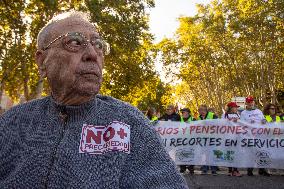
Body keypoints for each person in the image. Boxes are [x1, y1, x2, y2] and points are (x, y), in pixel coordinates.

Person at [0, 11, 188, 189]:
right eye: (74, 41)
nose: (92, 54)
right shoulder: (13, 121)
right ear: (42, 62)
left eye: (98, 44)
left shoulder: (128, 122)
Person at [240, 96, 270, 176]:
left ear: (254, 102)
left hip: (260, 136)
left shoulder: (258, 111)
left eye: (252, 102)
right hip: (249, 136)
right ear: (246, 103)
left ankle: (262, 170)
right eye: (249, 102)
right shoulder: (243, 113)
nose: (250, 103)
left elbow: (263, 120)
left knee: (261, 152)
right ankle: (250, 170)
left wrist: (264, 121)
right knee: (250, 153)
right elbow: (242, 124)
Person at [222, 102, 242, 177]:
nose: (236, 108)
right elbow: (221, 124)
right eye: (235, 107)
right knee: (229, 153)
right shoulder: (225, 115)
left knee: (236, 153)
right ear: (230, 108)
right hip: (228, 137)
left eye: (237, 107)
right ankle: (230, 170)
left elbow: (242, 124)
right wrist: (230, 121)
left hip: (237, 137)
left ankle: (236, 170)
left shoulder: (238, 115)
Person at [197, 104, 218, 175]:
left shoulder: (213, 115)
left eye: (203, 110)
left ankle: (213, 169)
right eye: (200, 110)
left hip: (212, 138)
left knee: (212, 153)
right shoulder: (199, 118)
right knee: (204, 155)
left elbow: (218, 124)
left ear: (206, 110)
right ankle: (204, 169)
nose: (201, 111)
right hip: (203, 139)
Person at [179, 108, 195, 174]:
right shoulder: (179, 119)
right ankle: (182, 168)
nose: (183, 114)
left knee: (191, 153)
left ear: (189, 113)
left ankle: (191, 168)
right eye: (183, 112)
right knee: (181, 152)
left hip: (191, 139)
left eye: (185, 112)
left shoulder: (193, 119)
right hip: (182, 139)